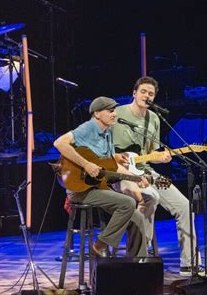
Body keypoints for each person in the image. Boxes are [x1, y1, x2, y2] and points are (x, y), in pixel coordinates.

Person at [112, 76, 200, 275]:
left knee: (185, 206)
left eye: (151, 94)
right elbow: (100, 146)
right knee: (149, 197)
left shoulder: (154, 118)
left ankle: (190, 265)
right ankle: (139, 260)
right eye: (143, 91)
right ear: (134, 93)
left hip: (148, 172)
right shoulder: (117, 114)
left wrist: (162, 158)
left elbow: (151, 154)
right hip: (122, 174)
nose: (147, 96)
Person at [53, 96, 148, 258]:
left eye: (115, 111)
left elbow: (112, 165)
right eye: (110, 111)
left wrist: (136, 177)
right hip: (80, 189)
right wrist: (86, 164)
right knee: (128, 203)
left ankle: (139, 265)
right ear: (97, 114)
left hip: (98, 187)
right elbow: (59, 143)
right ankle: (99, 245)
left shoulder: (108, 132)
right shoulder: (88, 128)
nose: (114, 114)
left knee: (138, 218)